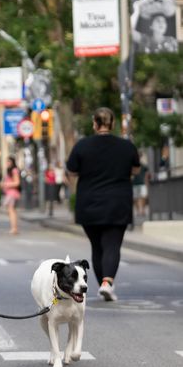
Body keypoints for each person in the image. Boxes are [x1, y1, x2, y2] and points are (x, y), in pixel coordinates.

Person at [66, 107, 140, 302]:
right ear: (113, 123)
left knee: (97, 247)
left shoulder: (82, 146)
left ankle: (104, 284)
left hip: (89, 203)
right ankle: (107, 283)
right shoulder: (126, 146)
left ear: (94, 124)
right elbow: (136, 169)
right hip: (118, 202)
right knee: (112, 244)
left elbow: (71, 171)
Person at [0, 156, 21, 235]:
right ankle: (13, 228)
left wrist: (5, 184)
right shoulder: (9, 171)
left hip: (12, 193)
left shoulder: (14, 170)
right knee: (10, 211)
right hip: (9, 193)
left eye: (8, 161)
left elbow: (17, 182)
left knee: (11, 211)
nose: (7, 163)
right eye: (6, 161)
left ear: (12, 162)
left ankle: (14, 228)